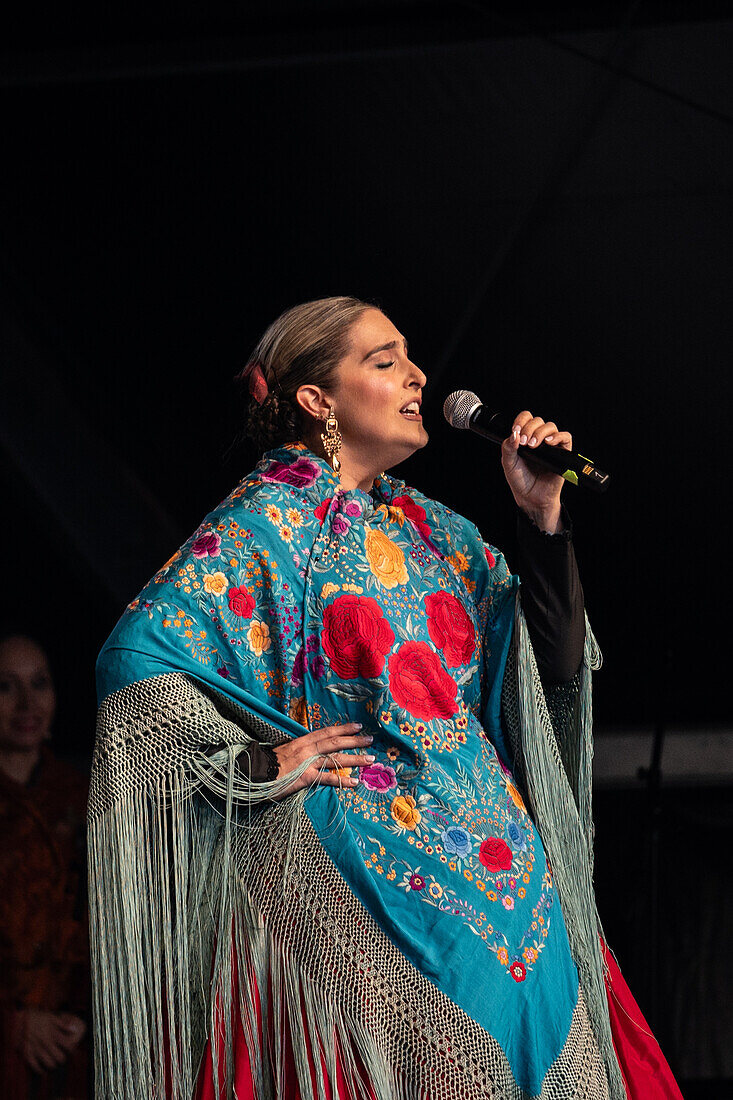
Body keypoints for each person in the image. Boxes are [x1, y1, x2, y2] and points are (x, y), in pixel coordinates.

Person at [90, 297, 681, 1099]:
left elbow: (547, 672)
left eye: (409, 357)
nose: (417, 376)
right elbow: (136, 663)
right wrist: (258, 761)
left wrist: (540, 519)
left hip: (512, 889)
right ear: (315, 399)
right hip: (379, 883)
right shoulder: (263, 527)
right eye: (384, 359)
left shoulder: (431, 528)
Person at [0, 631, 89, 1100]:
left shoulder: (83, 798)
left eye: (39, 683)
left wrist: (83, 1018)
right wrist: (14, 1027)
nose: (26, 703)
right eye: (6, 686)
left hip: (70, 1052)